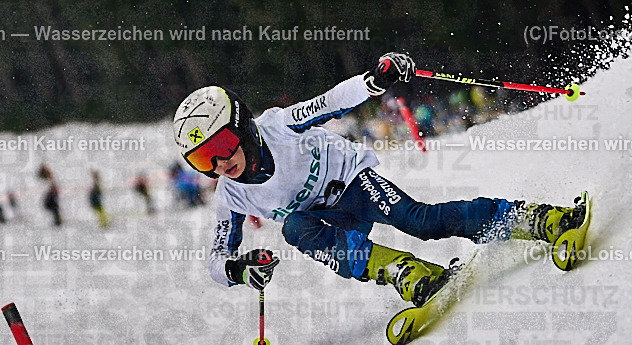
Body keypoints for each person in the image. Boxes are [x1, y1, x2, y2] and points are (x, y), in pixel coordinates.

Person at [172, 53, 587, 302]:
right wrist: (239, 270)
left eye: (221, 146)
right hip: (325, 220)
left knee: (421, 221)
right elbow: (214, 259)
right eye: (203, 159)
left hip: (352, 183)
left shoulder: (278, 126)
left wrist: (372, 81)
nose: (219, 164)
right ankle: (405, 273)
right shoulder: (231, 196)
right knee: (296, 228)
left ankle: (534, 219)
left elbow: (330, 102)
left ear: (243, 126)